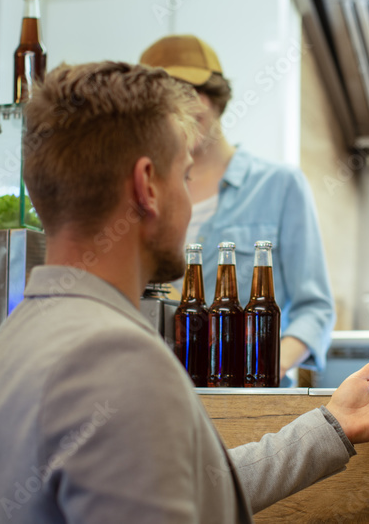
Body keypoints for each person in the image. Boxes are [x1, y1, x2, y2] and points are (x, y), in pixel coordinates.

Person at [0, 61, 369, 522]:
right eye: (185, 176)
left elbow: (189, 486)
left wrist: (333, 427)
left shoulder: (9, 343)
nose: (192, 201)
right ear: (147, 186)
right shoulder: (116, 358)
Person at [139, 35, 334, 385]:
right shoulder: (145, 193)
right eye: (161, 105)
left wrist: (264, 369)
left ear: (214, 99)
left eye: (188, 95)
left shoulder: (280, 185)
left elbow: (314, 308)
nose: (178, 115)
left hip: (250, 398)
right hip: (164, 391)